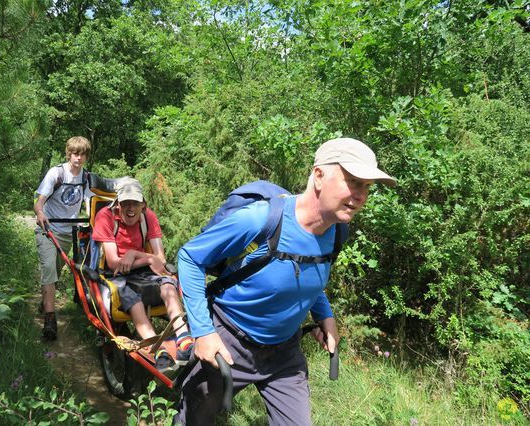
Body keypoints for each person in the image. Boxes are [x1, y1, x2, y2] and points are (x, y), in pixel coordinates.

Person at [174, 137, 397, 425]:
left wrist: (325, 316)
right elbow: (190, 258)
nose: (361, 195)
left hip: (285, 355)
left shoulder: (337, 232)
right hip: (228, 342)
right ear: (318, 176)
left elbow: (306, 276)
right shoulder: (261, 219)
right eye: (353, 181)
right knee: (194, 420)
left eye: (367, 187)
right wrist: (204, 333)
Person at [92, 177, 194, 373]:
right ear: (117, 204)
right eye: (126, 203)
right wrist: (147, 258)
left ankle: (184, 339)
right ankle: (158, 348)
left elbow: (160, 259)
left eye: (135, 204)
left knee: (168, 285)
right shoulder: (105, 217)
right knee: (132, 298)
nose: (131, 209)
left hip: (142, 269)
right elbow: (114, 263)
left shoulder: (149, 217)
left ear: (143, 204)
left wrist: (136, 254)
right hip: (115, 274)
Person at [34, 136, 93, 340]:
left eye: (82, 154)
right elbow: (38, 201)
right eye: (75, 153)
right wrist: (40, 214)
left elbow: (88, 203)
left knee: (56, 271)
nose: (79, 157)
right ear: (69, 154)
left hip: (70, 233)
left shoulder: (86, 178)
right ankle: (50, 321)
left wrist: (91, 220)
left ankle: (45, 300)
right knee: (49, 268)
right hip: (48, 229)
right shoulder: (56, 173)